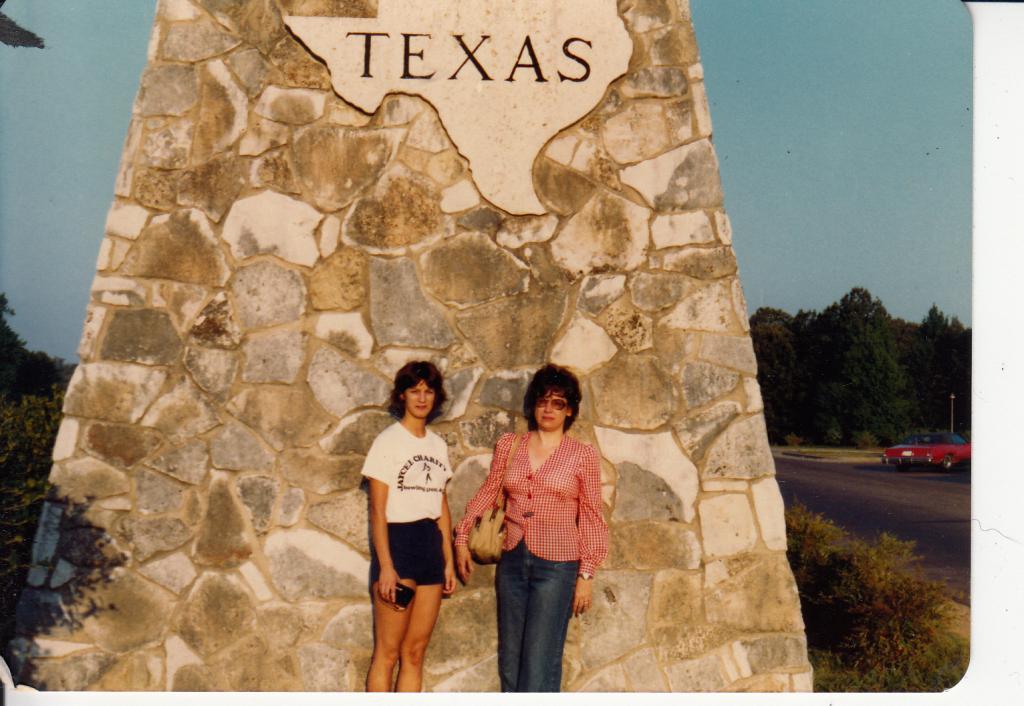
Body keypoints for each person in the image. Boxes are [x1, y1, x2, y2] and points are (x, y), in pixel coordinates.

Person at [454, 363, 609, 692]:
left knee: (539, 664)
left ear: (570, 411)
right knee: (510, 664)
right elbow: (489, 491)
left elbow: (592, 514)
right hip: (512, 561)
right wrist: (462, 535)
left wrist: (586, 575)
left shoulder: (582, 455)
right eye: (543, 401)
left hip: (557, 567)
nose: (549, 409)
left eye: (558, 403)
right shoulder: (511, 445)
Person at [362, 361, 456, 692]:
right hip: (399, 546)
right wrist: (386, 566)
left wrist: (447, 561)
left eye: (428, 391)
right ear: (402, 395)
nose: (421, 398)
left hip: (429, 546)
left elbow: (441, 505)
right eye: (415, 391)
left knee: (414, 654)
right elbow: (377, 510)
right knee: (387, 654)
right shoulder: (388, 442)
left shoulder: (437, 445)